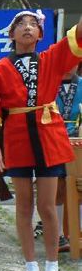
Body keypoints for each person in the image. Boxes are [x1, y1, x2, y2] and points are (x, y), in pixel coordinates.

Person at [0, 9, 82, 271]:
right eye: (21, 24)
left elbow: (77, 35)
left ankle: (52, 265)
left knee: (48, 205)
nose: (27, 28)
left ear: (41, 34)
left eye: (33, 24)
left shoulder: (51, 58)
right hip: (17, 135)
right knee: (24, 204)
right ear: (11, 34)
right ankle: (30, 267)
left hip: (49, 135)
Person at [53, 64, 82, 252]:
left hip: (79, 142)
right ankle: (58, 236)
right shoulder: (47, 85)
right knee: (56, 187)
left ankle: (77, 234)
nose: (66, 66)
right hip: (53, 140)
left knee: (79, 187)